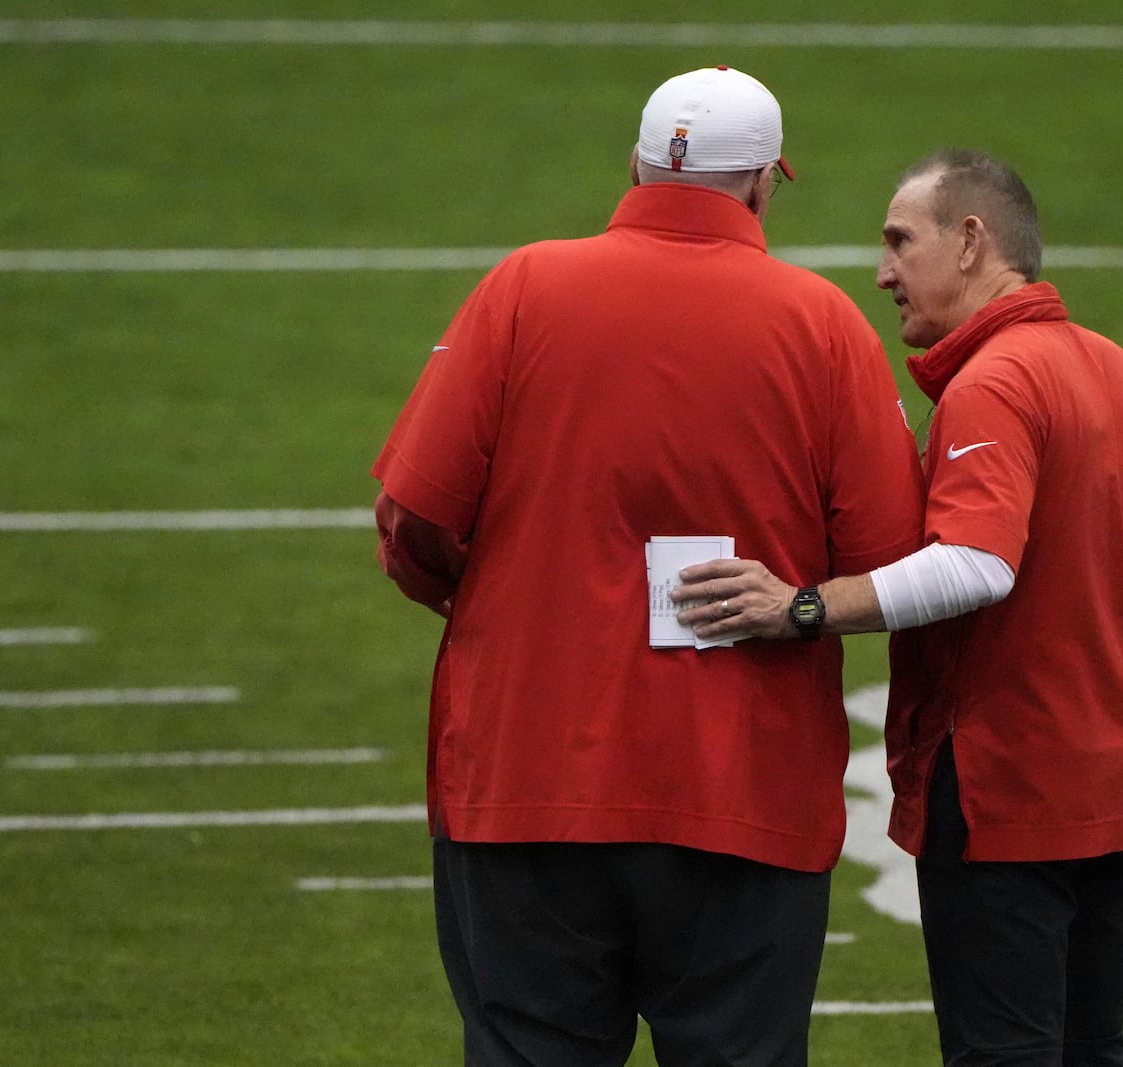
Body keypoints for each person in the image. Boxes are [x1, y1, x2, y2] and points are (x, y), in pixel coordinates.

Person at [371, 66, 923, 1066]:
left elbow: (412, 517)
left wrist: (491, 598)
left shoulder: (523, 286)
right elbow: (888, 564)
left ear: (633, 161)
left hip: (523, 778)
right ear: (762, 184)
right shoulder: (824, 326)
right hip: (740, 795)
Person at [673, 149, 1123, 1067]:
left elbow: (976, 565)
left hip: (1011, 790)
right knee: (1092, 1049)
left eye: (898, 242)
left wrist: (801, 607)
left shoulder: (995, 380)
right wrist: (1117, 717)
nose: (881, 272)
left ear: (970, 241)